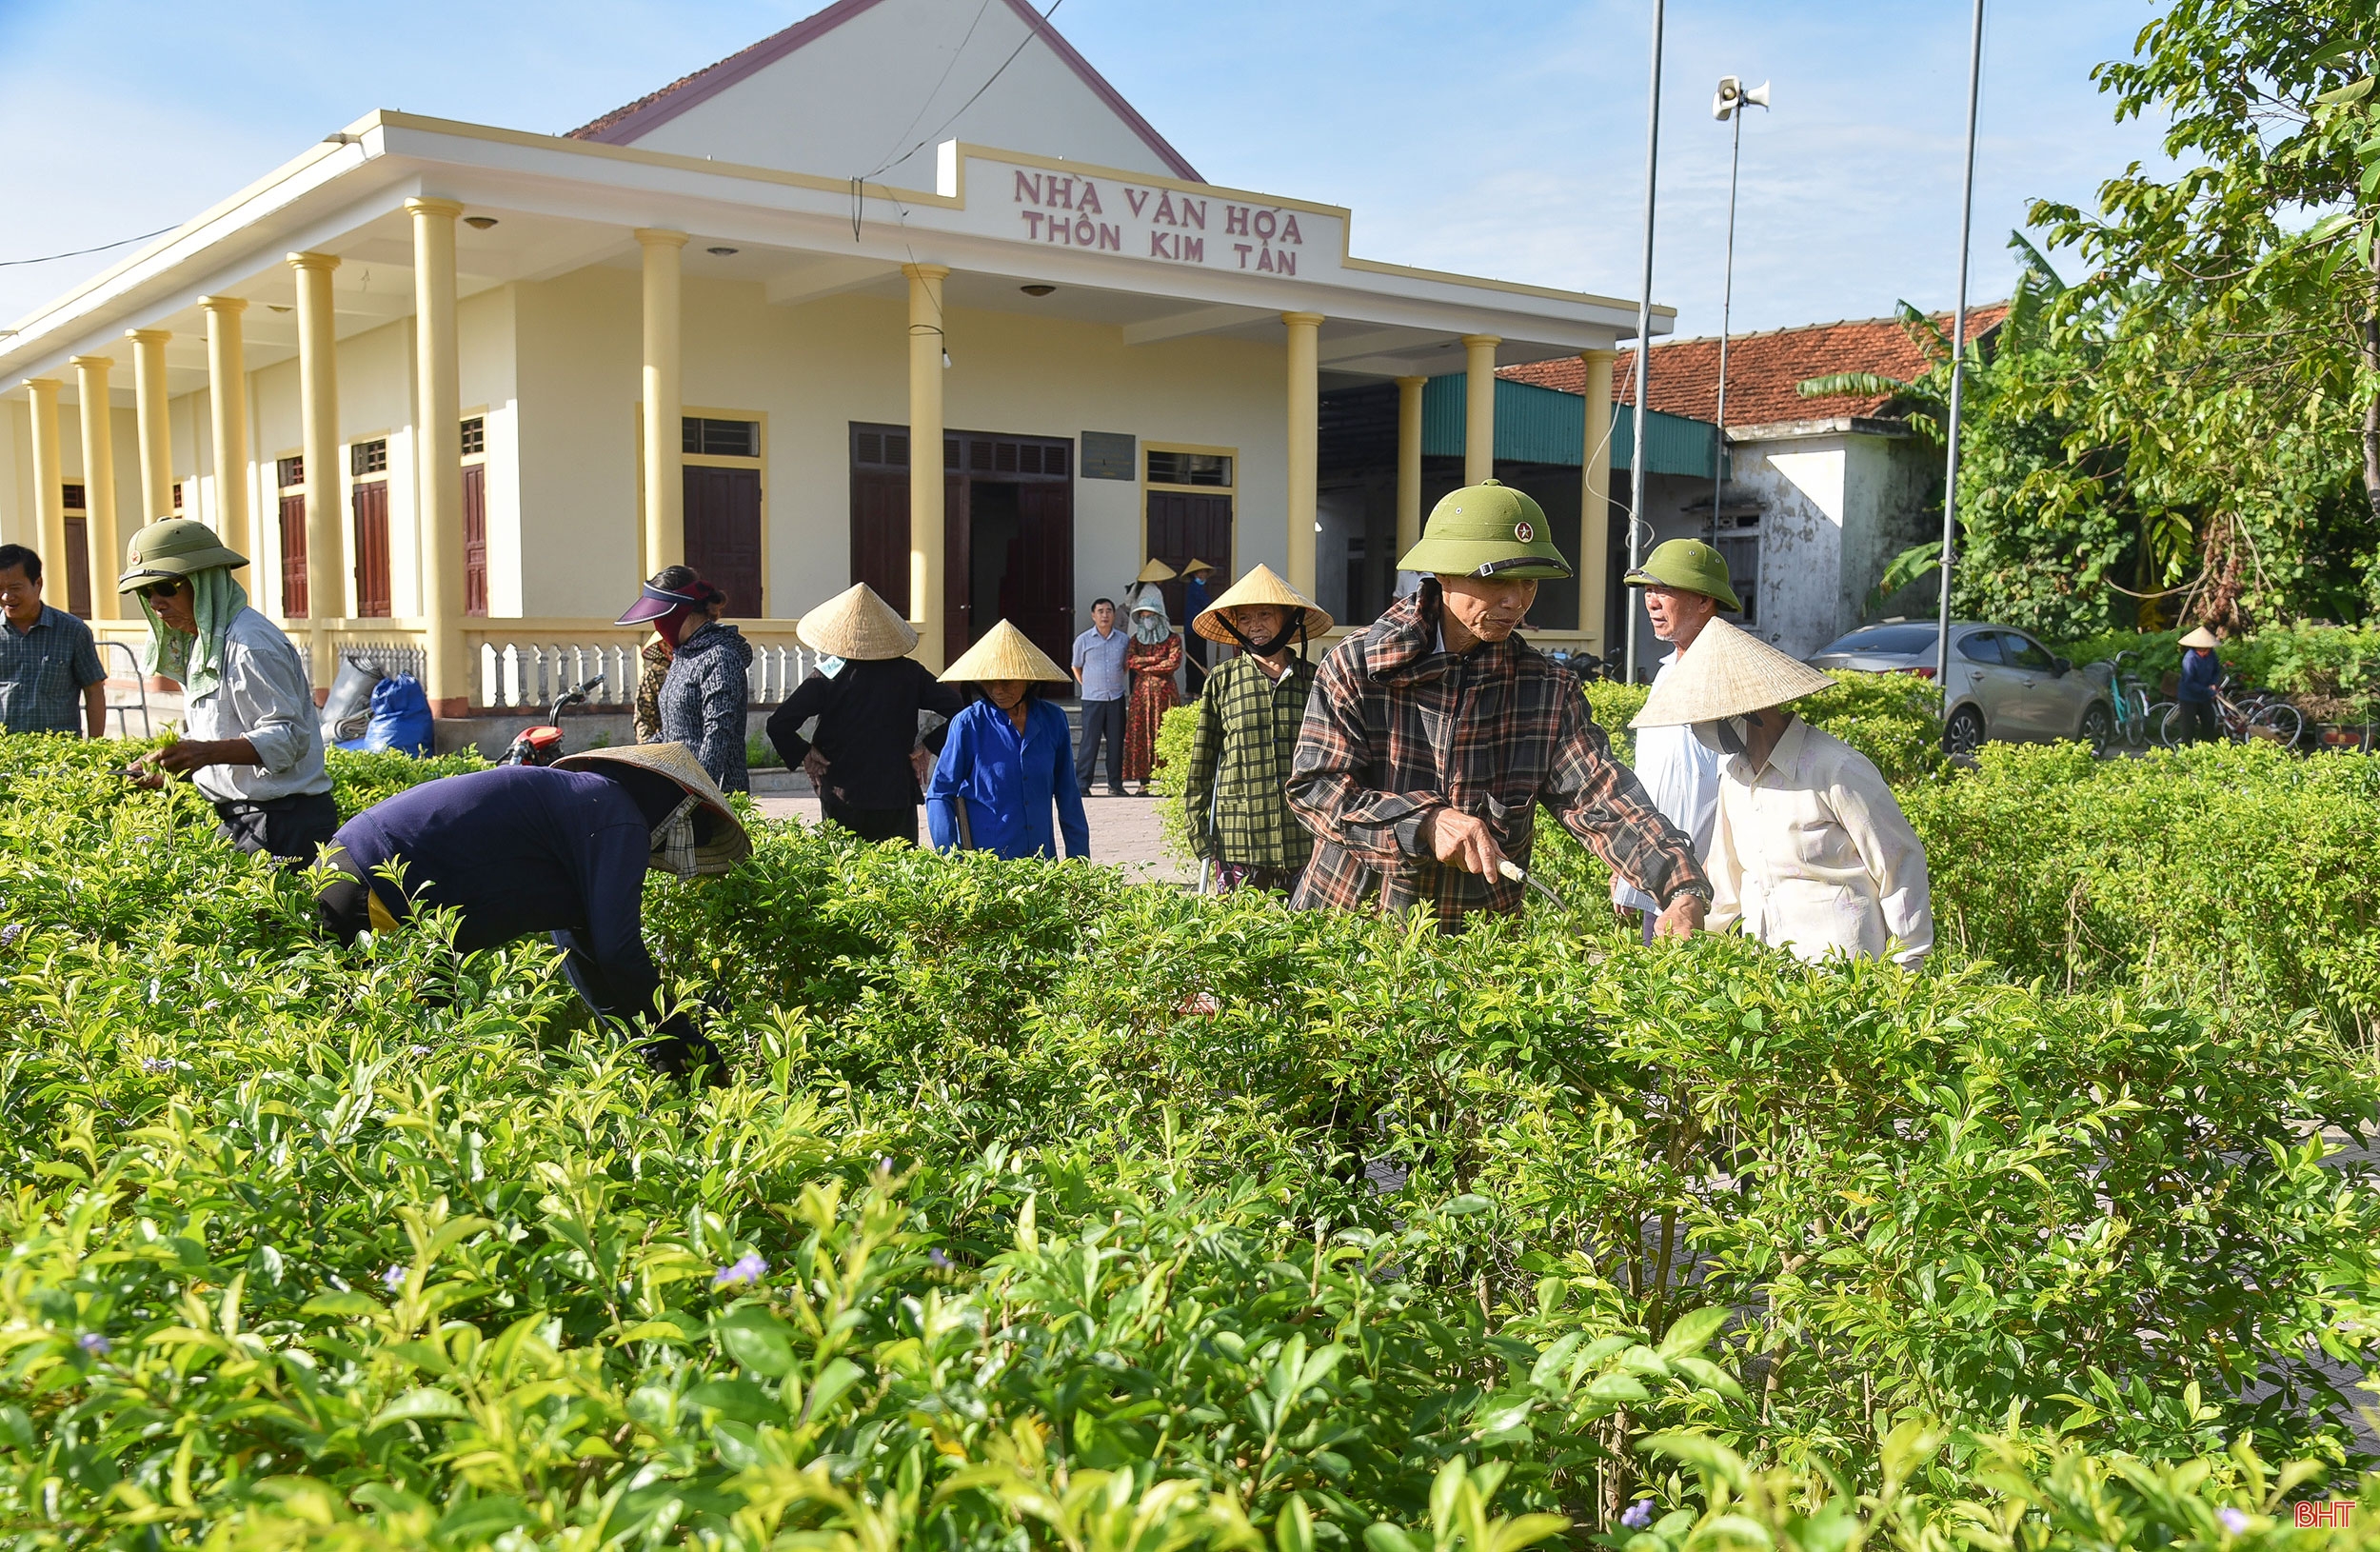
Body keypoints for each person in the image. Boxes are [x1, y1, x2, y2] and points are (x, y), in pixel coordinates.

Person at [1287, 480, 1711, 930]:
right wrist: (1424, 823)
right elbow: (1316, 790)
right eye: (1497, 579)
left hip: (1478, 949)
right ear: (1443, 575)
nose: (1517, 600)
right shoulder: (1359, 666)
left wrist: (1680, 887)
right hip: (1353, 932)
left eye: (1529, 580)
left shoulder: (1545, 689)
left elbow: (1603, 796)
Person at [316, 742, 749, 1078]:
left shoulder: (587, 808)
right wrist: (684, 1040)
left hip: (357, 873)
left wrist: (646, 1042)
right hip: (377, 887)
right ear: (677, 817)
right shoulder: (618, 818)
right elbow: (619, 951)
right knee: (396, 1057)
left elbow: (582, 950)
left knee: (416, 1051)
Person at [1636, 617, 1932, 968]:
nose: (1701, 728)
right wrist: (1689, 950)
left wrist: (1907, 971)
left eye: (1707, 716)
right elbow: (1726, 880)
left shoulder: (1836, 769)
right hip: (1772, 977)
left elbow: (1900, 866)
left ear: (1747, 712)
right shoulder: (1735, 777)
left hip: (1845, 978)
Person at [118, 519, 337, 864]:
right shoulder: (205, 645)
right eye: (147, 592)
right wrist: (177, 765)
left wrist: (204, 754)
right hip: (242, 819)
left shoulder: (249, 644)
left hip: (283, 820)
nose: (157, 602)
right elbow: (221, 736)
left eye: (167, 586)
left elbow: (289, 738)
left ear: (204, 582)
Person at [765, 582, 963, 845]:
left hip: (843, 794)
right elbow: (960, 713)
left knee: (845, 877)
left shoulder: (829, 674)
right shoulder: (910, 673)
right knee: (896, 877)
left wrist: (805, 752)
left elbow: (779, 724)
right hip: (895, 794)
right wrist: (927, 746)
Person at [1613, 538, 1741, 941]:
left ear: (1705, 600)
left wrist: (1707, 880)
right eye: (1648, 590)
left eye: (1663, 589)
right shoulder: (1667, 671)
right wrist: (1627, 868)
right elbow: (1651, 779)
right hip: (1659, 878)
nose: (1651, 601)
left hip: (1705, 893)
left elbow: (1737, 791)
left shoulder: (1729, 677)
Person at [1182, 564, 1330, 894]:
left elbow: (1335, 759)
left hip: (1304, 839)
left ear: (1288, 618)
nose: (1255, 626)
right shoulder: (1223, 680)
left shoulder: (1316, 680)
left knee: (1307, 941)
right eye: (1245, 619)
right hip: (1239, 841)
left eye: (1265, 614)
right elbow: (1202, 766)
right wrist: (1197, 830)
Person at [926, 620, 1090, 861]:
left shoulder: (1053, 720)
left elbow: (1068, 794)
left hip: (1041, 862)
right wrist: (952, 857)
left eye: (1007, 681)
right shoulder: (968, 724)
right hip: (987, 865)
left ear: (1029, 680)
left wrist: (1079, 860)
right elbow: (940, 794)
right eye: (990, 682)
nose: (998, 690)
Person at [652, 575, 753, 792]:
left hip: (713, 794)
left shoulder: (720, 657)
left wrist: (699, 792)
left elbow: (717, 732)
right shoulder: (683, 656)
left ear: (682, 611)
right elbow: (675, 731)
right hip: (679, 785)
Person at [0, 543, 108, 738]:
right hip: (5, 752)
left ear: (38, 583)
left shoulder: (73, 631)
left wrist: (94, 745)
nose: (7, 596)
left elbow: (94, 690)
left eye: (15, 587)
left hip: (57, 755)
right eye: (0, 588)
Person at [618, 567, 707, 745]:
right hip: (662, 749)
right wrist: (649, 752)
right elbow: (643, 717)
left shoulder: (712, 660)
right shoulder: (654, 675)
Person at [1121, 591, 1182, 795]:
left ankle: (1167, 781)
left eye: (1150, 616)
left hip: (1166, 696)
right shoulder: (1135, 640)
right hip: (1141, 697)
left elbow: (1173, 663)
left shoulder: (1172, 638)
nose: (1147, 621)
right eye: (1144, 617)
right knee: (1142, 736)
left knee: (1164, 733)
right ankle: (1143, 782)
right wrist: (1156, 660)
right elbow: (1131, 661)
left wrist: (1145, 664)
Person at [1070, 596, 1128, 796]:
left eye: (1109, 611)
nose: (1105, 615)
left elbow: (1125, 666)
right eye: (1101, 611)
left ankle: (1115, 785)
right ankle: (1082, 785)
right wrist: (1086, 684)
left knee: (1116, 742)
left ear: (1114, 614)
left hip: (1115, 698)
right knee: (1089, 742)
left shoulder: (1123, 640)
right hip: (1092, 699)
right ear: (1093, 615)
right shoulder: (1083, 640)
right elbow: (1076, 666)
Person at [2176, 626, 2222, 744]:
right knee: (2188, 727)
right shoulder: (2190, 659)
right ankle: (2187, 752)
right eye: (2203, 650)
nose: (2205, 652)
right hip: (2189, 696)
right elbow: (2189, 682)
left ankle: (2206, 748)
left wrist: (2213, 683)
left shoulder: (2211, 654)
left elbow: (2216, 670)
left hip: (2204, 696)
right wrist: (2208, 691)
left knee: (2209, 721)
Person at [1179, 557, 1218, 690]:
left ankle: (1191, 689)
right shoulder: (1195, 588)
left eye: (1204, 572)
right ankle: (1197, 689)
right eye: (1200, 572)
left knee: (1193, 659)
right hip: (1195, 628)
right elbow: (1208, 604)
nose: (1203, 575)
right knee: (1198, 659)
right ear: (1194, 574)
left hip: (1194, 629)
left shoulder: (1194, 588)